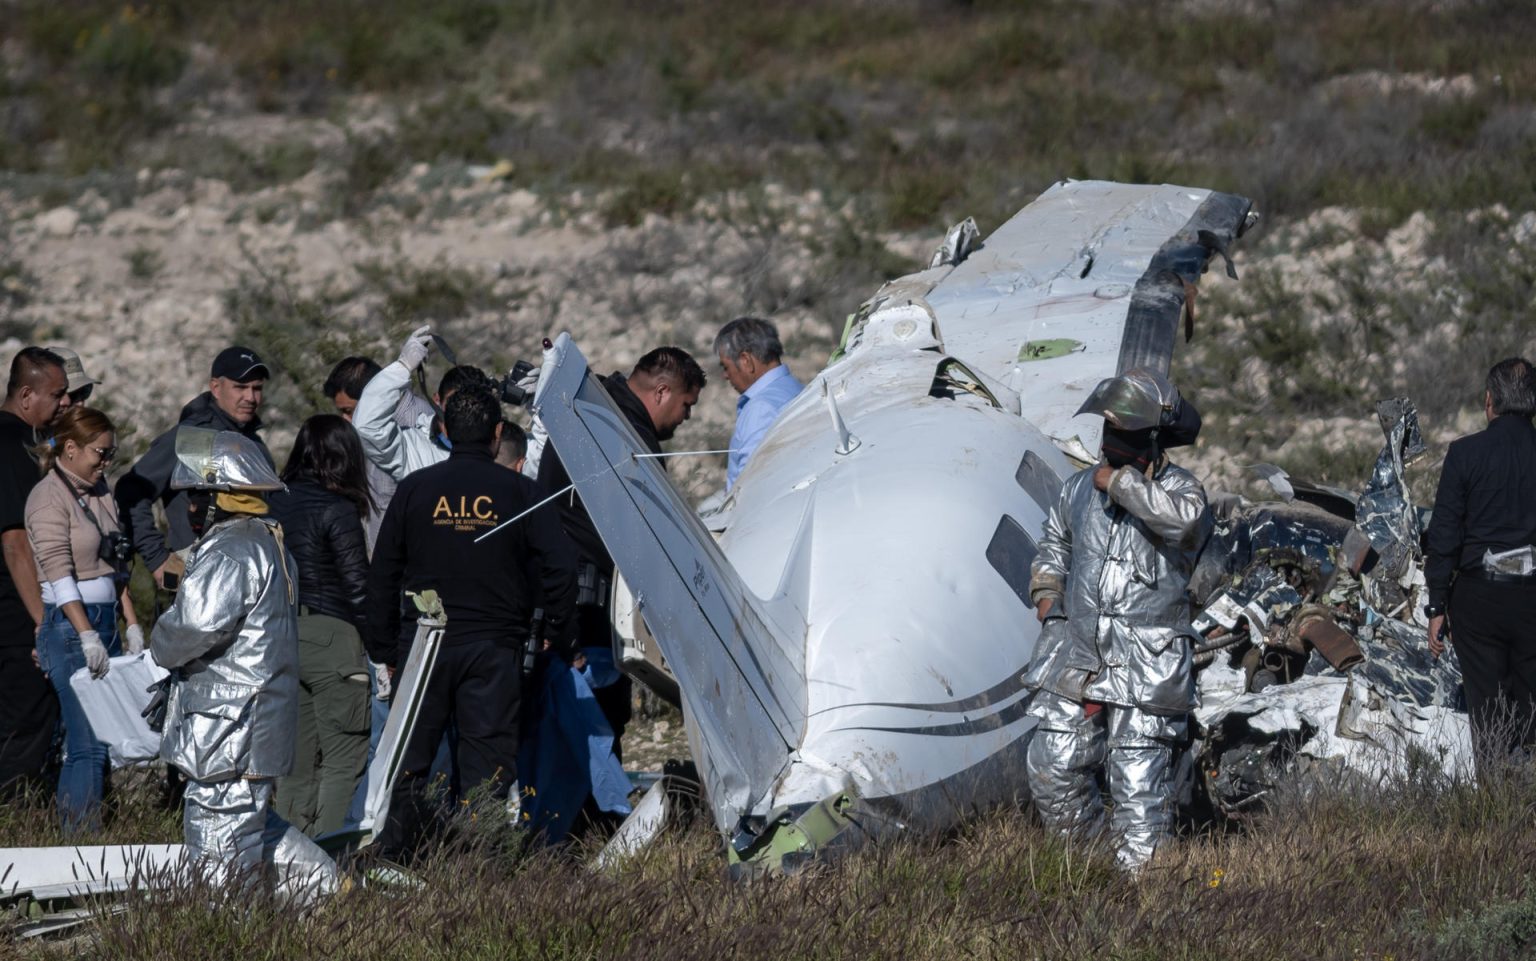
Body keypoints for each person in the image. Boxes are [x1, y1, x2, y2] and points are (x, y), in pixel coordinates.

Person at [365, 386, 577, 864]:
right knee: (487, 762)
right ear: (497, 432)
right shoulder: (521, 492)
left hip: (423, 645)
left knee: (411, 761)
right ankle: (479, 863)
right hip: (494, 649)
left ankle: (399, 859)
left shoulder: (415, 489)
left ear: (443, 430)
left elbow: (382, 573)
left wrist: (384, 650)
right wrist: (558, 633)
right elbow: (562, 567)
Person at [1023, 368, 1210, 871]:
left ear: (1151, 439)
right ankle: (1089, 870)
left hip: (1146, 666)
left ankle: (1146, 900)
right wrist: (1049, 601)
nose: (1110, 444)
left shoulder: (1183, 492)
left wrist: (1122, 484)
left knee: (1137, 786)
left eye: (1123, 435)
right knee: (1053, 765)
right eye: (1107, 433)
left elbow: (1185, 526)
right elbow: (1053, 547)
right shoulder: (1077, 490)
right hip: (1078, 653)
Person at [151, 427, 339, 902]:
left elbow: (191, 629)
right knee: (249, 821)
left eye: (198, 497)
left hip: (229, 729)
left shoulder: (233, 548)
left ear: (222, 496)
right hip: (251, 725)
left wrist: (158, 638)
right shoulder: (267, 541)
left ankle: (227, 936)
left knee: (220, 836)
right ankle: (327, 891)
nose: (191, 508)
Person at [536, 346, 705, 760]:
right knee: (593, 718)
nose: (688, 417)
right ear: (663, 392)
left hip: (572, 598)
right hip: (583, 608)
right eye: (687, 405)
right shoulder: (621, 433)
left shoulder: (598, 412)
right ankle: (587, 819)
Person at [25, 406, 141, 832]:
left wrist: (130, 623)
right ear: (70, 449)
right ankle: (80, 841)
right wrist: (87, 633)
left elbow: (114, 562)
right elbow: (57, 572)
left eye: (111, 454)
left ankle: (88, 830)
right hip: (73, 627)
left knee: (100, 740)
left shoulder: (97, 489)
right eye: (100, 453)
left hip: (104, 618)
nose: (106, 462)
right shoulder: (47, 498)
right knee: (86, 743)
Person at [1425, 357, 1536, 766]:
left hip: (1479, 598)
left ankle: (1493, 808)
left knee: (1488, 715)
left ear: (1490, 402)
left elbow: (1445, 535)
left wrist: (1437, 605)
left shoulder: (1464, 454)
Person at [267, 415, 374, 836]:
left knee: (295, 762)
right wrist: (383, 650)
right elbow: (358, 586)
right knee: (343, 757)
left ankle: (292, 862)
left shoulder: (274, 501)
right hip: (334, 636)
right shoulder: (339, 507)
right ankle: (331, 860)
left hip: (284, 634)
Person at [116, 346, 273, 590]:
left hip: (251, 582)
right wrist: (158, 559)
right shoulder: (191, 436)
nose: (251, 398)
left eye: (257, 388)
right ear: (215, 387)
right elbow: (130, 490)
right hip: (198, 583)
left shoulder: (255, 444)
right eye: (240, 387)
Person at [0, 347, 71, 795]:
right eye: (58, 394)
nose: (65, 403)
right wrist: (42, 625)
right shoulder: (12, 444)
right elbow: (15, 540)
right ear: (27, 395)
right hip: (15, 617)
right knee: (22, 735)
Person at [352, 324, 491, 482]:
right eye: (455, 405)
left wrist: (526, 405)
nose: (465, 414)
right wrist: (402, 367)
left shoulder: (500, 443)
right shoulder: (412, 448)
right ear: (437, 401)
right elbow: (368, 426)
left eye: (475, 406)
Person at [714, 317, 803, 489]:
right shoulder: (797, 388)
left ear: (746, 361)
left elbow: (749, 487)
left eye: (726, 367)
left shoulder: (761, 409)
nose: (726, 375)